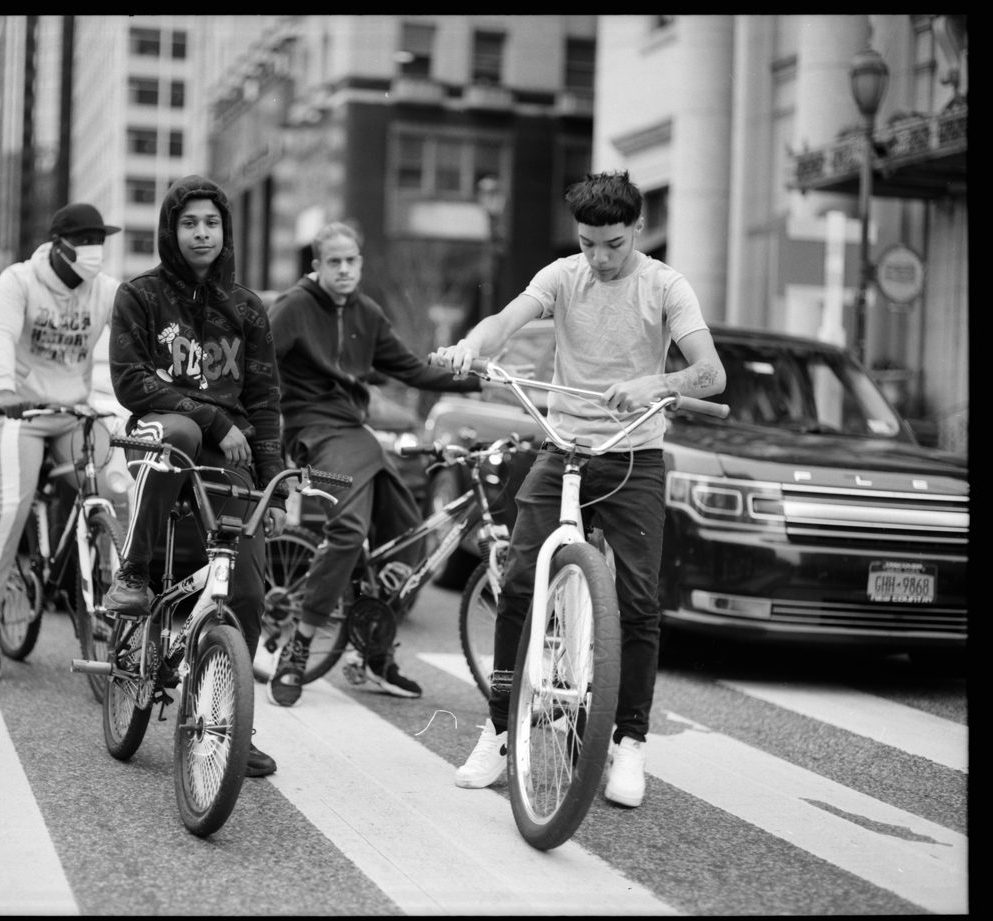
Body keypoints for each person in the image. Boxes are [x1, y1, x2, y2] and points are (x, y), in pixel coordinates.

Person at [434, 171, 726, 808]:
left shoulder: (666, 286)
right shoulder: (563, 276)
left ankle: (631, 743)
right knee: (518, 581)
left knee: (642, 599)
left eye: (613, 244)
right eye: (589, 243)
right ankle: (500, 729)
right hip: (564, 446)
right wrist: (468, 346)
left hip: (634, 457)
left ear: (638, 231)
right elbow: (504, 322)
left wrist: (658, 386)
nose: (600, 257)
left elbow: (710, 372)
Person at [103, 174, 286, 778]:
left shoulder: (246, 308)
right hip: (161, 440)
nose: (201, 233)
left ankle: (228, 719)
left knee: (251, 592)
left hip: (229, 460)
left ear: (224, 230)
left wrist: (272, 483)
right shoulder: (140, 295)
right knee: (181, 433)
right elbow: (131, 381)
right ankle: (135, 571)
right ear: (170, 230)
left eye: (211, 223)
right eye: (189, 223)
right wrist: (210, 417)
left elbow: (263, 402)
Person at [265, 221, 482, 707]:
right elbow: (261, 375)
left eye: (352, 261)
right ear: (317, 266)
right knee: (348, 530)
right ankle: (296, 650)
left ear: (360, 263)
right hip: (312, 434)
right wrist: (266, 442)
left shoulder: (367, 311)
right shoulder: (293, 308)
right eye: (334, 262)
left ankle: (374, 654)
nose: (344, 269)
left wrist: (479, 381)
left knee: (407, 536)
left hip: (355, 433)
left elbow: (411, 368)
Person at [0, 202, 127, 680]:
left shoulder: (107, 292)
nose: (94, 252)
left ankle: (108, 600)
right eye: (84, 242)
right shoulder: (18, 282)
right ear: (58, 246)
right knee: (8, 507)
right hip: (16, 407)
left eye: (100, 241)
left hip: (73, 409)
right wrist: (4, 388)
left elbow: (129, 346)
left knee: (113, 489)